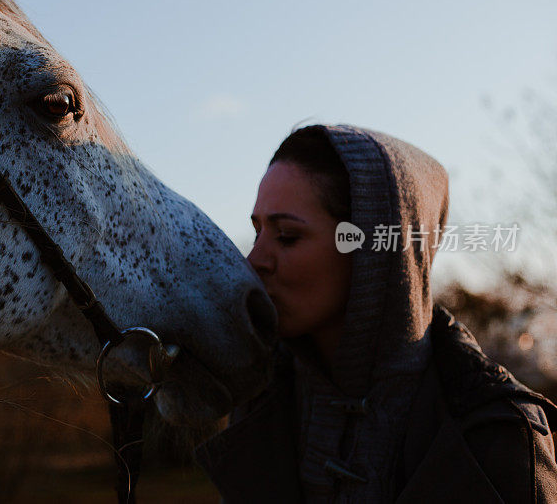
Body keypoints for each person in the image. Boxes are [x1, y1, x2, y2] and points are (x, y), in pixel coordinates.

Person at [194, 124, 557, 503]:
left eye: (286, 236)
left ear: (373, 251)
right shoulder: (259, 407)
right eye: (258, 233)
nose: (254, 261)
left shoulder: (499, 435)